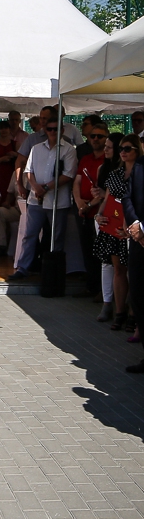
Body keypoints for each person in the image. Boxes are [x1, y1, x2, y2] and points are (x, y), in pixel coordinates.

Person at [8, 114, 77, 280]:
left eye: (55, 129)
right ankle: (24, 268)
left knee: (56, 238)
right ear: (45, 130)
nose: (52, 132)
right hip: (35, 199)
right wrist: (36, 187)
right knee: (29, 234)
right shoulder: (36, 148)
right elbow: (28, 170)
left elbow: (68, 175)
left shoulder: (69, 149)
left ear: (62, 130)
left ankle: (52, 272)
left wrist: (45, 187)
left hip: (57, 201)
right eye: (49, 129)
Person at [94, 134, 142, 330]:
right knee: (118, 270)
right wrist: (98, 215)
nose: (123, 152)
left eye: (127, 148)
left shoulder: (140, 173)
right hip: (114, 228)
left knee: (134, 273)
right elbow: (107, 199)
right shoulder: (115, 174)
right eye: (121, 148)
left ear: (137, 150)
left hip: (135, 229)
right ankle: (119, 312)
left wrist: (130, 225)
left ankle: (133, 315)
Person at [72, 121, 108, 298]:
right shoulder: (85, 159)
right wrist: (79, 202)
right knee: (87, 251)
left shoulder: (108, 162)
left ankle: (103, 290)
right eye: (92, 136)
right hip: (84, 212)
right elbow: (77, 182)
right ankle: (91, 287)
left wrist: (89, 205)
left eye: (100, 136)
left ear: (106, 138)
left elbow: (106, 192)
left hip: (100, 213)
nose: (95, 139)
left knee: (101, 253)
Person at [91, 133, 123, 323]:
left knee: (121, 265)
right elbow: (103, 197)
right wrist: (97, 212)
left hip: (121, 220)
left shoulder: (127, 171)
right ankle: (107, 302)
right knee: (107, 263)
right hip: (104, 218)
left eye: (109, 147)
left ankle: (121, 306)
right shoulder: (103, 169)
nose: (105, 149)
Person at [122, 149, 144, 372]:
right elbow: (127, 197)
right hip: (139, 242)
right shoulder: (139, 165)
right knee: (138, 295)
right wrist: (136, 224)